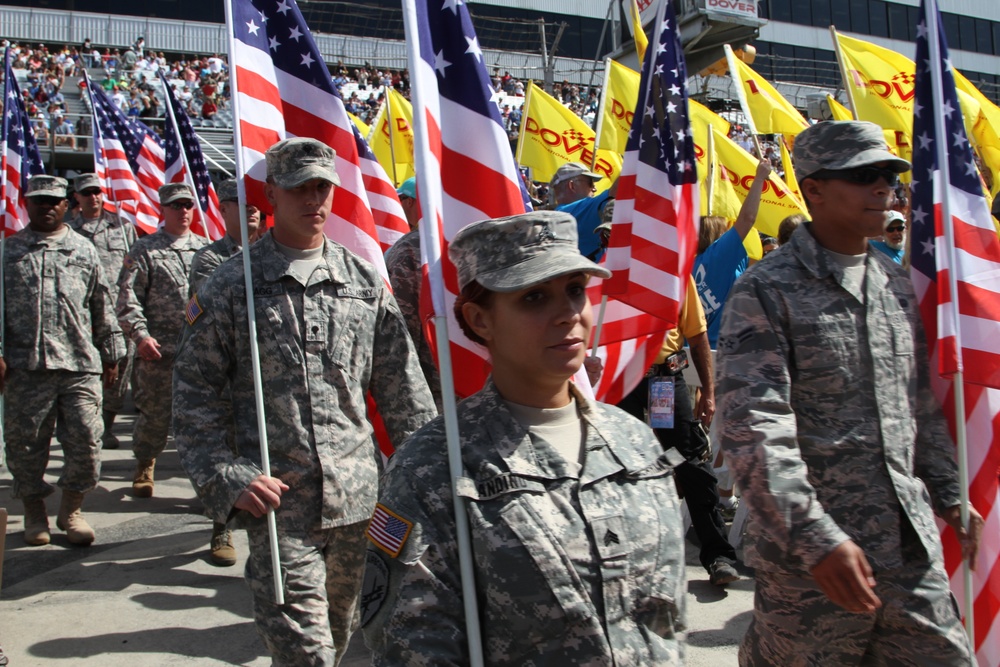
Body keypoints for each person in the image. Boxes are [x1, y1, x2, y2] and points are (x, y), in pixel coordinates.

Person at [362, 210, 687, 665]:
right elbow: (411, 645)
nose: (568, 314)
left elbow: (667, 620)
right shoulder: (432, 468)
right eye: (534, 297)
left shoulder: (634, 441)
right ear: (479, 319)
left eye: (576, 290)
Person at [716, 120, 982, 665]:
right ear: (813, 188)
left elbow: (917, 406)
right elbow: (754, 430)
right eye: (863, 176)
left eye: (889, 175)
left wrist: (950, 492)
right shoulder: (766, 289)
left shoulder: (895, 284)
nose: (883, 188)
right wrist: (815, 538)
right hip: (813, 567)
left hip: (907, 548)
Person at [171, 137, 436, 665]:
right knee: (304, 653)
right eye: (299, 188)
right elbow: (194, 394)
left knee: (338, 637)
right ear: (271, 193)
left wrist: (425, 487)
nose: (313, 200)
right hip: (279, 507)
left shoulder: (363, 283)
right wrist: (227, 475)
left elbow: (405, 394)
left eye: (322, 187)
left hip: (360, 502)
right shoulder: (232, 287)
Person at [2, 175, 126, 546]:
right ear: (26, 203)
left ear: (65, 204)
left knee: (88, 443)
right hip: (27, 367)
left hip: (79, 365)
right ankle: (35, 513)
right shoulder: (8, 252)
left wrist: (112, 352)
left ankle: (71, 510)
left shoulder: (84, 249)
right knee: (25, 448)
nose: (46, 206)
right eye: (38, 199)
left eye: (53, 200)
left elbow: (101, 305)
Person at [618, 275, 740, 586]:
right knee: (623, 466)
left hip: (663, 383)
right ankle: (629, 556)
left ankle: (718, 556)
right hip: (623, 381)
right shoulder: (608, 270)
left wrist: (709, 393)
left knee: (690, 463)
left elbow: (697, 336)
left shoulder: (674, 274)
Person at [183, 177, 262, 567]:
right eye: (238, 202)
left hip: (270, 369)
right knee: (227, 451)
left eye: (254, 203)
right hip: (229, 369)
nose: (249, 208)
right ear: (223, 209)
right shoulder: (210, 259)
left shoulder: (275, 251)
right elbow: (222, 303)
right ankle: (221, 526)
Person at [116, 182, 207, 498]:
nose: (183, 211)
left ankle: (205, 479)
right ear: (163, 209)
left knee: (201, 420)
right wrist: (140, 336)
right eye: (176, 206)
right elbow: (128, 300)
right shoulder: (145, 250)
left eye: (187, 205)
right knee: (154, 416)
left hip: (198, 355)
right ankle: (144, 462)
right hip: (159, 353)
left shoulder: (206, 250)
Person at [68, 173, 137, 450]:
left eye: (97, 191)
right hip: (82, 316)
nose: (93, 197)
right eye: (87, 193)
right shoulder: (69, 230)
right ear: (77, 197)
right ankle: (86, 428)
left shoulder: (121, 227)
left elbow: (134, 268)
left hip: (117, 313)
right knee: (86, 374)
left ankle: (106, 426)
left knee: (119, 373)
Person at [694, 158, 771, 348]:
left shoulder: (685, 265)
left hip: (692, 352)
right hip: (726, 351)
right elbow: (747, 218)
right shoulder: (721, 253)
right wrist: (759, 178)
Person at [551, 161, 617, 262]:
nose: (594, 189)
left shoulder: (558, 216)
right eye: (590, 183)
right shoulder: (573, 213)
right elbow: (618, 191)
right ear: (572, 185)